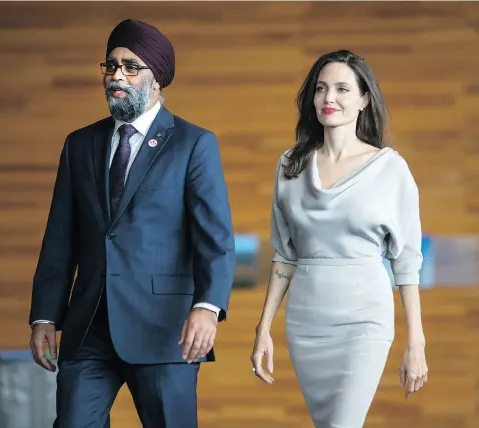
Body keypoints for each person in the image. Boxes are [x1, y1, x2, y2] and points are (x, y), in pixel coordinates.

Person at [28, 19, 235, 428]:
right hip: (89, 326)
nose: (116, 75)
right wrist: (44, 316)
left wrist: (208, 307)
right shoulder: (79, 144)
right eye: (111, 65)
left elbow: (215, 239)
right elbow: (60, 238)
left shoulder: (193, 144)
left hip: (165, 329)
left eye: (130, 66)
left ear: (156, 78)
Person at [251, 50, 428, 428]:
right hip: (305, 322)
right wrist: (263, 327)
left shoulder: (391, 169)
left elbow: (407, 263)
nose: (329, 98)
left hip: (363, 321)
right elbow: (284, 256)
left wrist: (417, 343)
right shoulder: (289, 165)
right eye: (321, 88)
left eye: (342, 89)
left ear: (364, 99)